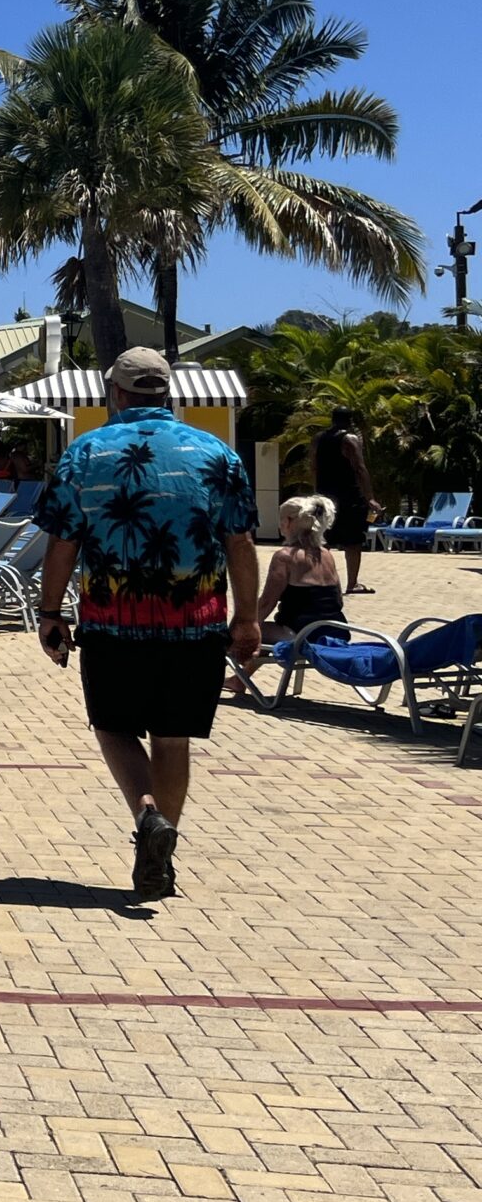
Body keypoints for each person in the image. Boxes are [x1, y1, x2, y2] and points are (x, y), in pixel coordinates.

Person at [34, 347, 259, 903]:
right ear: (168, 395)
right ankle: (162, 852)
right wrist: (249, 618)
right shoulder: (216, 453)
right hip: (196, 623)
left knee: (113, 726)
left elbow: (62, 544)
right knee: (172, 734)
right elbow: (241, 542)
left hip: (114, 622)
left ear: (115, 393)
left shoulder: (84, 453)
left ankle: (147, 814)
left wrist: (49, 613)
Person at [251, 495, 345, 698]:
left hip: (302, 634)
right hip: (336, 630)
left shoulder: (285, 556)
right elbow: (338, 599)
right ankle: (239, 680)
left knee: (247, 630)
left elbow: (267, 601)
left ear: (288, 522)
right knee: (265, 629)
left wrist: (247, 627)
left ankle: (233, 676)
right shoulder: (326, 554)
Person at [311, 408, 377, 594]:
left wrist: (317, 493)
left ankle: (320, 581)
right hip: (349, 496)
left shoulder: (318, 439)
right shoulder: (350, 439)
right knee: (353, 542)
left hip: (324, 496)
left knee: (324, 540)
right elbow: (360, 468)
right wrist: (370, 497)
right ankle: (352, 583)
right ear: (350, 421)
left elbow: (314, 467)